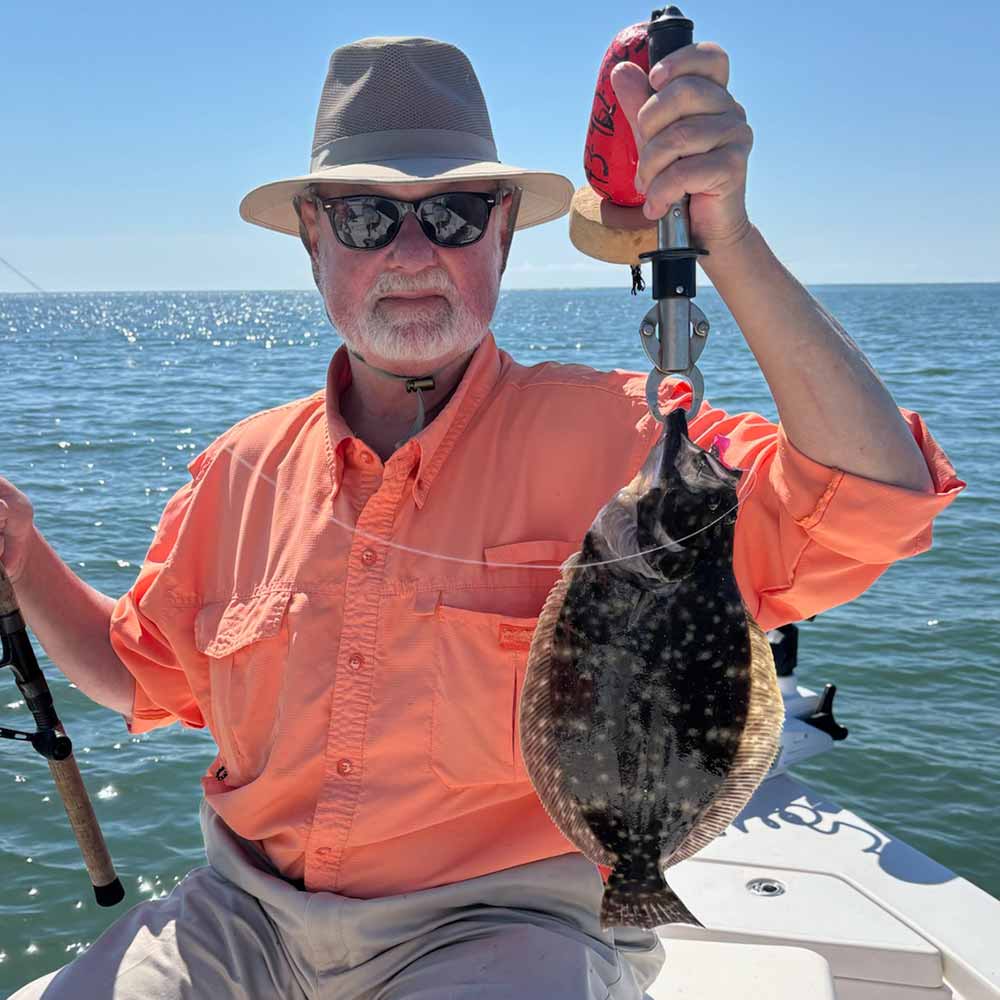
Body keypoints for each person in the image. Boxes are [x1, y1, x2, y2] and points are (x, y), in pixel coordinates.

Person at [3, 34, 964, 1000]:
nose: (413, 253)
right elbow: (141, 676)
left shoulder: (641, 440)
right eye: (367, 217)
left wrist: (731, 241)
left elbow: (871, 500)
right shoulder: (240, 471)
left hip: (511, 921)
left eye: (455, 216)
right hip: (243, 914)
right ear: (312, 237)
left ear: (503, 232)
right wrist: (23, 550)